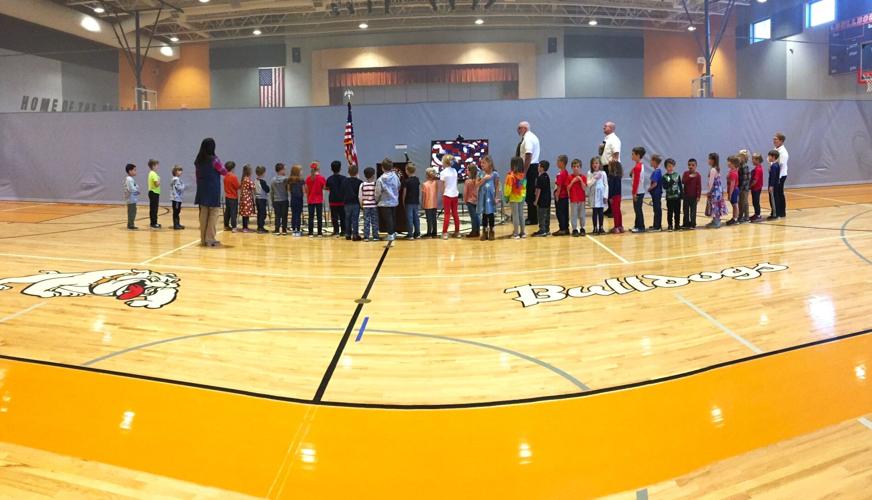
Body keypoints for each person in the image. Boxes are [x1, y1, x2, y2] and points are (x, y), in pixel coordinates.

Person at [193, 138, 228, 247]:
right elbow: (224, 171)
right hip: (212, 189)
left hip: (202, 189)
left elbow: (197, 175)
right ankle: (210, 239)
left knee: (203, 214)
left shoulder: (198, 160)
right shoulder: (214, 160)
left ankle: (203, 239)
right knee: (213, 214)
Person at [516, 121, 540, 225]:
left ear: (525, 128)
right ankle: (531, 217)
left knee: (530, 193)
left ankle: (533, 218)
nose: (518, 130)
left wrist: (524, 172)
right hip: (531, 167)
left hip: (530, 168)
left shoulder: (528, 138)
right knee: (529, 193)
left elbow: (528, 155)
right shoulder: (529, 137)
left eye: (519, 128)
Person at [375, 158, 400, 241]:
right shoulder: (395, 176)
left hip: (384, 202)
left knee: (388, 219)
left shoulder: (380, 179)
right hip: (394, 201)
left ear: (382, 168)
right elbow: (399, 186)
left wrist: (376, 200)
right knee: (393, 218)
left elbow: (378, 192)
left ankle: (390, 234)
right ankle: (393, 232)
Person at [600, 121, 621, 216]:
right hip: (606, 166)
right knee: (608, 188)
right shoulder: (606, 139)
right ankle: (610, 208)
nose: (603, 127)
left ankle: (614, 210)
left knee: (613, 188)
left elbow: (616, 154)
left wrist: (611, 168)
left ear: (612, 128)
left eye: (606, 126)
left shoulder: (614, 139)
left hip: (612, 167)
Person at [504, 156, 527, 239]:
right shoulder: (523, 175)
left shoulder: (510, 176)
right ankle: (523, 233)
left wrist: (506, 197)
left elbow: (508, 188)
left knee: (515, 215)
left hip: (513, 197)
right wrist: (523, 196)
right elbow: (524, 187)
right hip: (521, 197)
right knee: (521, 214)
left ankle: (516, 234)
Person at [476, 155, 498, 241]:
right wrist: (484, 179)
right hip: (483, 197)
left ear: (489, 163)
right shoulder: (480, 173)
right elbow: (476, 185)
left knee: (491, 214)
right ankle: (484, 231)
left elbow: (496, 187)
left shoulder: (495, 174)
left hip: (491, 198)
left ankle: (492, 231)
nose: (481, 164)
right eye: (481, 163)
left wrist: (496, 197)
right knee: (484, 215)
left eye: (483, 163)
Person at [439, 154, 461, 239]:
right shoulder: (455, 170)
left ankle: (445, 233)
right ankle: (457, 232)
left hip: (447, 195)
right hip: (455, 194)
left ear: (444, 162)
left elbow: (443, 186)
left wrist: (442, 194)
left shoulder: (443, 173)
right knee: (455, 213)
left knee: (447, 214)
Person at [342, 164, 363, 241]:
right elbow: (361, 194)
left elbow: (342, 192)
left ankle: (347, 234)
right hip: (356, 203)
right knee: (355, 219)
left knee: (347, 219)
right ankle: (355, 234)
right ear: (357, 172)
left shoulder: (344, 181)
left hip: (347, 203)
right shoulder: (360, 182)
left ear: (348, 172)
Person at [305, 162, 326, 237]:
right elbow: (324, 187)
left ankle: (310, 233)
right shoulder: (321, 178)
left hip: (310, 200)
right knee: (319, 217)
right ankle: (319, 233)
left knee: (311, 217)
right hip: (319, 200)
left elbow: (306, 190)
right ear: (318, 169)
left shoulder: (308, 178)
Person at [706, 153, 726, 229]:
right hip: (718, 190)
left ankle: (717, 222)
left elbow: (711, 182)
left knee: (715, 206)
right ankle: (715, 220)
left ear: (713, 160)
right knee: (716, 205)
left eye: (709, 159)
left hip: (715, 191)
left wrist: (709, 191)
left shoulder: (713, 170)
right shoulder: (716, 168)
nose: (708, 160)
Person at [587, 158, 608, 235]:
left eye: (596, 163)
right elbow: (588, 184)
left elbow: (606, 185)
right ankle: (595, 227)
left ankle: (601, 227)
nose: (595, 165)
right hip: (593, 195)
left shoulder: (603, 173)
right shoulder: (590, 173)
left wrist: (605, 196)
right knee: (595, 212)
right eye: (593, 163)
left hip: (601, 195)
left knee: (601, 212)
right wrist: (594, 178)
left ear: (599, 164)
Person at [568, 159, 588, 236]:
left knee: (582, 214)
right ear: (572, 168)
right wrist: (573, 181)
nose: (576, 168)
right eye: (574, 166)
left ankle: (582, 228)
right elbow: (568, 188)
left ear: (580, 167)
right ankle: (574, 229)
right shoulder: (569, 177)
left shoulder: (583, 177)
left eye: (577, 166)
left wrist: (580, 180)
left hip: (582, 199)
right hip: (573, 199)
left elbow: (584, 188)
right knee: (574, 215)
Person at [629, 146, 647, 233]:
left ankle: (641, 227)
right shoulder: (640, 165)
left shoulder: (638, 167)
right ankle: (637, 225)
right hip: (640, 191)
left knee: (638, 210)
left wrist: (634, 193)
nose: (631, 156)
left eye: (633, 154)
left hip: (638, 192)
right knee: (637, 209)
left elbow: (636, 181)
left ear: (638, 155)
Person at [359, 167, 379, 241]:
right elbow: (377, 195)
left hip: (365, 205)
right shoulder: (375, 184)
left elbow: (360, 196)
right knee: (374, 221)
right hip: (374, 205)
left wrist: (361, 204)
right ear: (373, 175)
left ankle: (366, 237)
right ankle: (375, 236)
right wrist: (376, 202)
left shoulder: (362, 185)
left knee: (366, 221)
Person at [326, 160, 345, 237]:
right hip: (342, 201)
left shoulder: (329, 179)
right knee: (343, 217)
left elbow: (327, 188)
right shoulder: (344, 178)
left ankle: (336, 231)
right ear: (340, 169)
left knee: (334, 217)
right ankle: (343, 231)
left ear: (331, 169)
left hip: (333, 201)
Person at [662, 159, 682, 231]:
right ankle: (670, 225)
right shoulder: (664, 177)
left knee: (677, 212)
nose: (670, 168)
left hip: (677, 197)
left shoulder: (677, 175)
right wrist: (670, 182)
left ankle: (677, 225)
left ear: (674, 166)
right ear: (666, 167)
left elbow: (680, 185)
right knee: (670, 212)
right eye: (668, 166)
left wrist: (681, 195)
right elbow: (665, 186)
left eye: (672, 166)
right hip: (669, 198)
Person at [552, 155, 570, 236]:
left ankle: (562, 228)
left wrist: (557, 195)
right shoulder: (565, 172)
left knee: (560, 213)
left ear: (562, 163)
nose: (557, 163)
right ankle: (565, 228)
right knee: (565, 212)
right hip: (565, 197)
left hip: (561, 196)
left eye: (558, 161)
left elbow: (559, 185)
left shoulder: (562, 173)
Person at [533, 161, 551, 237]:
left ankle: (542, 230)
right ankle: (547, 230)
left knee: (541, 215)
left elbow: (539, 190)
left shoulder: (540, 178)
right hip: (548, 199)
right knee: (547, 215)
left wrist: (536, 201)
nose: (538, 168)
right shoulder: (547, 176)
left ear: (542, 168)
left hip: (542, 200)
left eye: (539, 166)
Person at [682, 158, 701, 230]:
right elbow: (683, 182)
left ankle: (693, 224)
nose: (691, 166)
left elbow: (699, 186)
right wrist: (689, 177)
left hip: (694, 197)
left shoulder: (698, 175)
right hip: (686, 196)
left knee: (693, 211)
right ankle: (686, 223)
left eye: (693, 165)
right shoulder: (685, 173)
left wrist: (698, 196)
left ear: (696, 166)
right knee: (685, 211)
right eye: (689, 165)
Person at [403, 164, 421, 240]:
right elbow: (419, 190)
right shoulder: (417, 179)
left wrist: (403, 201)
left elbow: (404, 193)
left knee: (409, 218)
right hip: (416, 201)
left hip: (408, 202)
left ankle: (410, 234)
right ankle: (417, 233)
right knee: (416, 218)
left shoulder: (406, 181)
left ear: (407, 171)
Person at [773, 132, 789, 218]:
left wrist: (778, 178)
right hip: (776, 175)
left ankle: (781, 212)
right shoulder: (776, 149)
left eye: (776, 139)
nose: (774, 141)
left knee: (779, 193)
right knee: (777, 193)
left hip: (781, 175)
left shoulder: (783, 152)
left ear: (781, 141)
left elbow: (781, 165)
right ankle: (777, 211)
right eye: (774, 139)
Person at [271, 163, 289, 236]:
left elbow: (272, 192)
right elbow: (288, 189)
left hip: (276, 200)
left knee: (277, 216)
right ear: (281, 170)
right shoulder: (286, 179)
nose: (285, 170)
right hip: (284, 199)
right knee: (284, 216)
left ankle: (277, 230)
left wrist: (272, 200)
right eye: (284, 169)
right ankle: (284, 230)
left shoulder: (273, 180)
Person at [464, 162, 480, 238]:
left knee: (473, 217)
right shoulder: (478, 180)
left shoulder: (467, 182)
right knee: (477, 216)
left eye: (467, 170)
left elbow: (465, 193)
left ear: (470, 171)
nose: (466, 171)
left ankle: (473, 231)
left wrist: (465, 200)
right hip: (477, 200)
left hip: (470, 201)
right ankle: (477, 231)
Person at [607, 160, 624, 234]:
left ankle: (616, 227)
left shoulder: (611, 176)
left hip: (613, 196)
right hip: (618, 196)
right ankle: (620, 226)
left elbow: (611, 188)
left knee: (615, 212)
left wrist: (610, 197)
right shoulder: (618, 177)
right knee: (618, 211)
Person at [647, 154, 663, 232]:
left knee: (657, 209)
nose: (650, 162)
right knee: (656, 209)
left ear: (654, 162)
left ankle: (657, 226)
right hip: (655, 193)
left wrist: (649, 188)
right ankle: (655, 224)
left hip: (656, 193)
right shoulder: (657, 171)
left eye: (651, 161)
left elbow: (655, 183)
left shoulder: (657, 171)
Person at [422, 168, 439, 239]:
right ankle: (434, 232)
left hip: (427, 204)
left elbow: (423, 196)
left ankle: (429, 233)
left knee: (429, 219)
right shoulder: (436, 183)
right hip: (434, 203)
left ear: (426, 175)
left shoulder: (424, 184)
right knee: (434, 218)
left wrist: (422, 204)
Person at [288, 164, 304, 236]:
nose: (302, 171)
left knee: (294, 214)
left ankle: (293, 229)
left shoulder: (289, 180)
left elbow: (288, 189)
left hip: (293, 199)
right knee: (298, 214)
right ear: (297, 171)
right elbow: (303, 190)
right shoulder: (301, 180)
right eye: (301, 170)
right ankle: (298, 229)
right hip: (299, 199)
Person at [223, 162, 239, 232]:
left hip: (227, 196)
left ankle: (226, 226)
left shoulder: (225, 176)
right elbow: (237, 186)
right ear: (232, 168)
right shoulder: (234, 177)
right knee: (233, 212)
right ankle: (234, 227)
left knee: (227, 212)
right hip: (233, 197)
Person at [239, 164, 255, 233]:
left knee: (245, 213)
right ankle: (245, 227)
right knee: (246, 213)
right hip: (247, 198)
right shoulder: (247, 179)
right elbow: (253, 186)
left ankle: (245, 227)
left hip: (244, 198)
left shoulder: (243, 178)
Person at [123, 163, 140, 231]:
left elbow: (136, 186)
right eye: (134, 170)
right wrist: (136, 189)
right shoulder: (129, 179)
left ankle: (131, 224)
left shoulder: (131, 179)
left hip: (133, 199)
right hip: (130, 199)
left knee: (133, 211)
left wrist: (136, 188)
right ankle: (130, 225)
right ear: (130, 171)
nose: (135, 172)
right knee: (131, 212)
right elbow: (131, 189)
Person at [254, 166, 270, 234]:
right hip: (261, 199)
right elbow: (267, 189)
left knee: (260, 213)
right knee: (263, 214)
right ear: (263, 173)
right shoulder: (262, 181)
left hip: (257, 199)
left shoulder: (255, 180)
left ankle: (260, 227)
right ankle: (260, 227)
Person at [767, 149, 781, 221]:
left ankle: (775, 214)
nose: (768, 158)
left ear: (773, 157)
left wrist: (771, 186)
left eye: (769, 156)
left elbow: (773, 177)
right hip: (774, 185)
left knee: (773, 199)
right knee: (772, 199)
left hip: (773, 185)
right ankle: (773, 212)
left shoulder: (774, 166)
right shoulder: (775, 165)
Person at [750, 153, 765, 222]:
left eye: (753, 159)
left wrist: (749, 186)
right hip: (755, 188)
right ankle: (756, 214)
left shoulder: (758, 169)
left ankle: (758, 215)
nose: (752, 160)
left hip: (756, 188)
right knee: (754, 201)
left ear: (758, 160)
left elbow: (755, 180)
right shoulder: (757, 168)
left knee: (756, 201)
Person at [737, 150, 751, 223]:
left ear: (744, 158)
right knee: (741, 202)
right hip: (741, 187)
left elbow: (745, 179)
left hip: (744, 188)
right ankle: (742, 216)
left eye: (740, 156)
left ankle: (745, 217)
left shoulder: (744, 166)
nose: (739, 157)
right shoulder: (740, 165)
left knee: (744, 202)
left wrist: (740, 188)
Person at [147, 159, 161, 229]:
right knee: (154, 208)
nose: (158, 166)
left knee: (153, 208)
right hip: (154, 192)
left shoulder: (151, 173)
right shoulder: (154, 174)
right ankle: (154, 223)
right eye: (156, 165)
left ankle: (153, 222)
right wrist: (159, 180)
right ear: (153, 166)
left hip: (152, 192)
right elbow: (156, 184)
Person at [170, 165, 185, 230]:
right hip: (176, 198)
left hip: (177, 198)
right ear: (175, 172)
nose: (181, 172)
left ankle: (177, 224)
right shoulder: (176, 179)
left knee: (177, 211)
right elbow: (179, 188)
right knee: (176, 212)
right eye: (179, 170)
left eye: (181, 170)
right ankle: (176, 225)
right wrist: (183, 186)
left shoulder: (175, 179)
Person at [726, 156, 740, 226]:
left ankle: (735, 219)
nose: (728, 163)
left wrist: (730, 194)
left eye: (729, 162)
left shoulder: (733, 173)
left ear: (733, 164)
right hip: (733, 190)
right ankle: (734, 218)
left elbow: (732, 185)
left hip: (734, 190)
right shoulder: (733, 171)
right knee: (734, 205)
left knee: (735, 205)